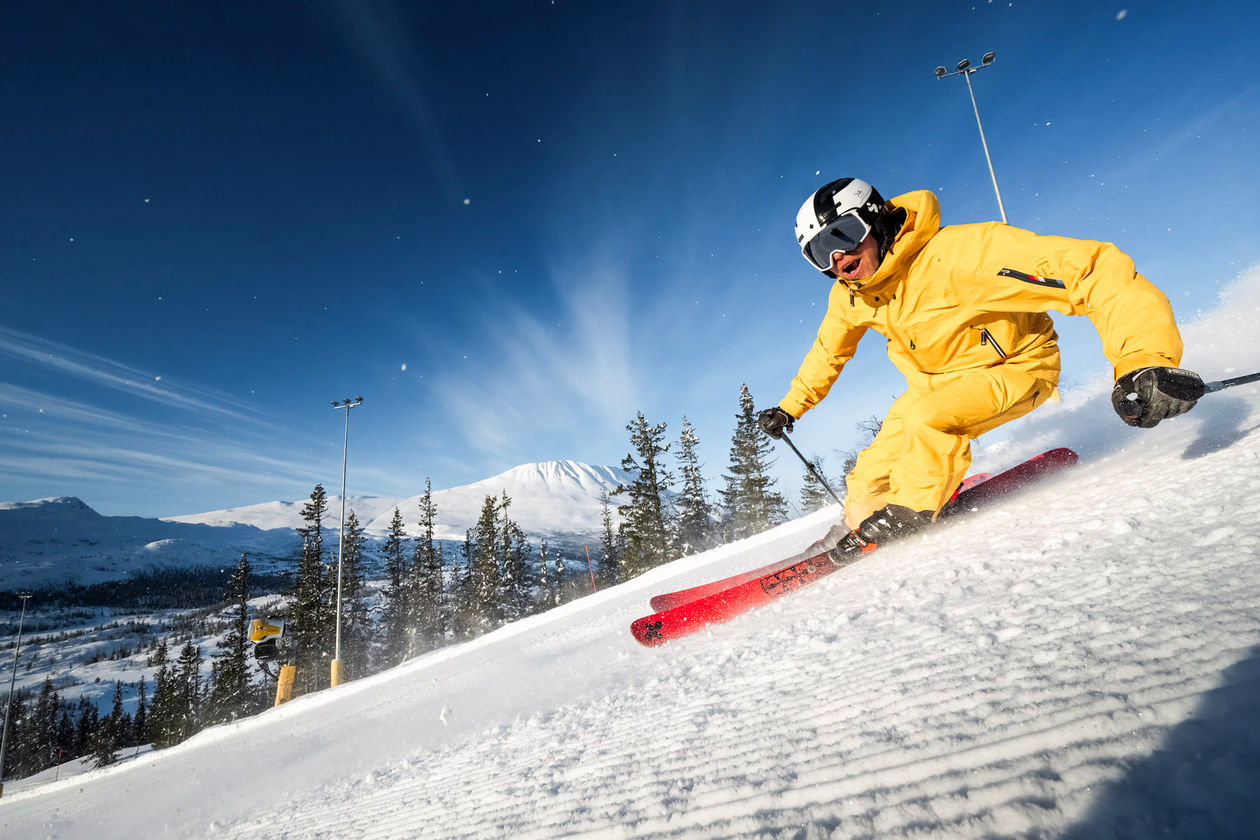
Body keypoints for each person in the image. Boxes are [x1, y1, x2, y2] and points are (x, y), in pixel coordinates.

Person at [757, 177, 1204, 550]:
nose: (836, 259)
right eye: (818, 253)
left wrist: (1144, 361)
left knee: (928, 421)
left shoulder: (961, 254)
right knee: (867, 480)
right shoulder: (851, 295)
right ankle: (867, 521)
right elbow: (828, 352)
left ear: (875, 218)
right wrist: (791, 407)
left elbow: (1092, 272)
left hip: (1016, 369)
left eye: (843, 236)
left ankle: (911, 512)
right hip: (932, 387)